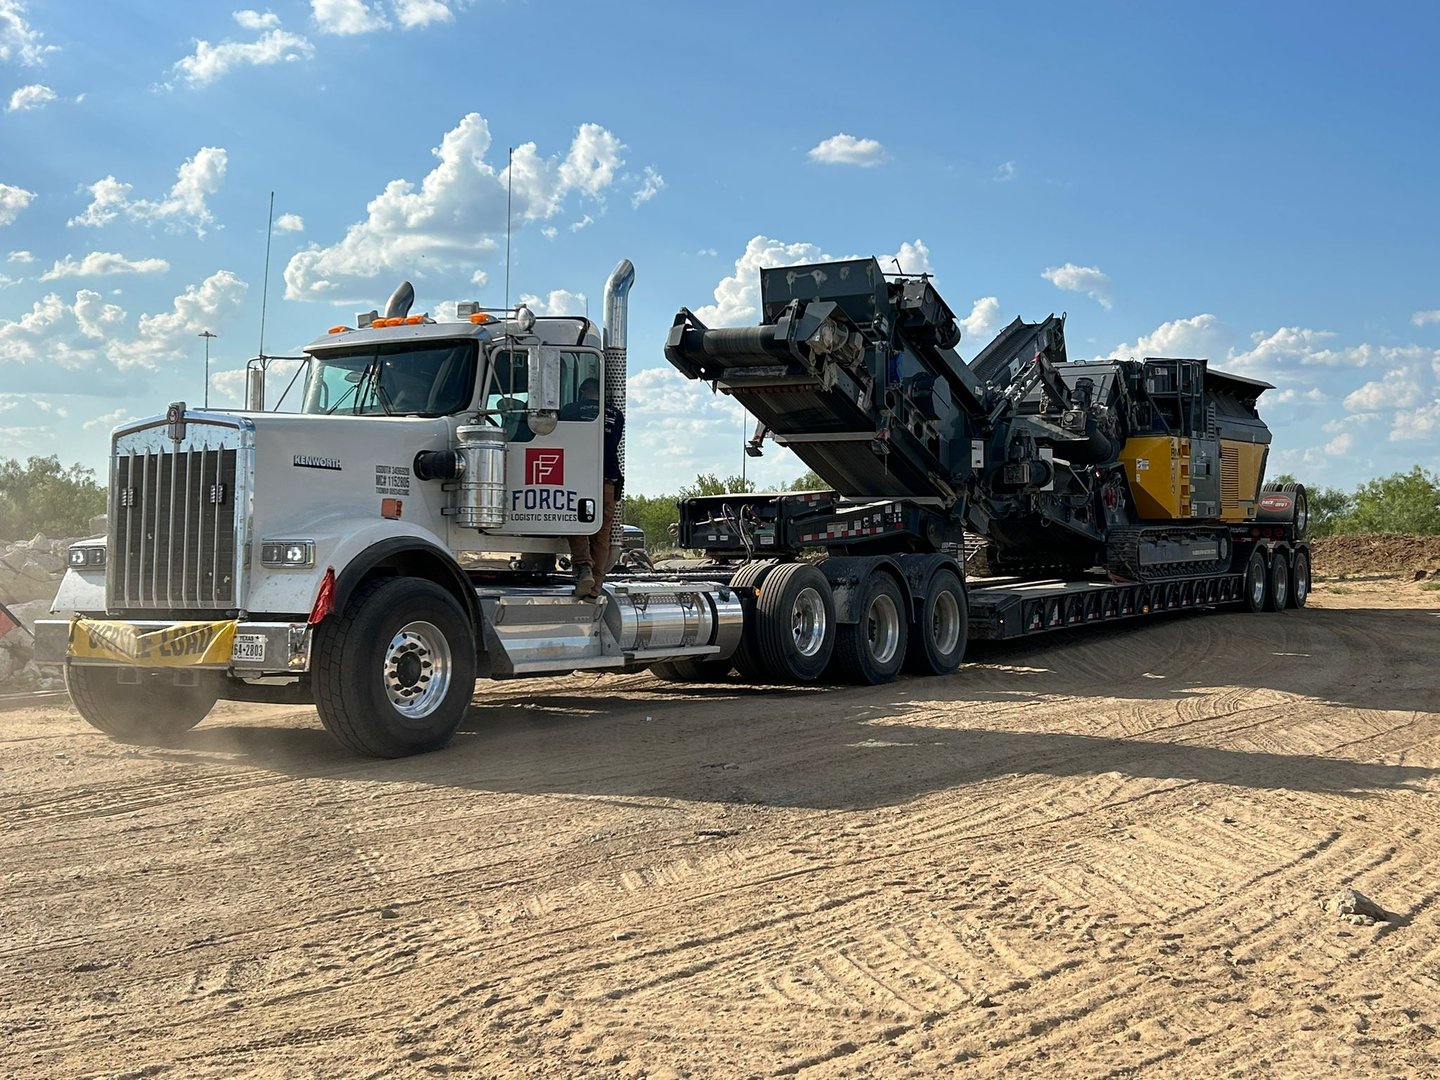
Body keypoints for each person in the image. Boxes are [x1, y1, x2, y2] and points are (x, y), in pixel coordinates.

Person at [566, 378, 624, 599]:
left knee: (576, 524)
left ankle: (583, 568)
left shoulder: (571, 410)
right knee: (602, 535)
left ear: (581, 392)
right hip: (608, 480)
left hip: (579, 478)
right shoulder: (616, 415)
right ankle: (596, 587)